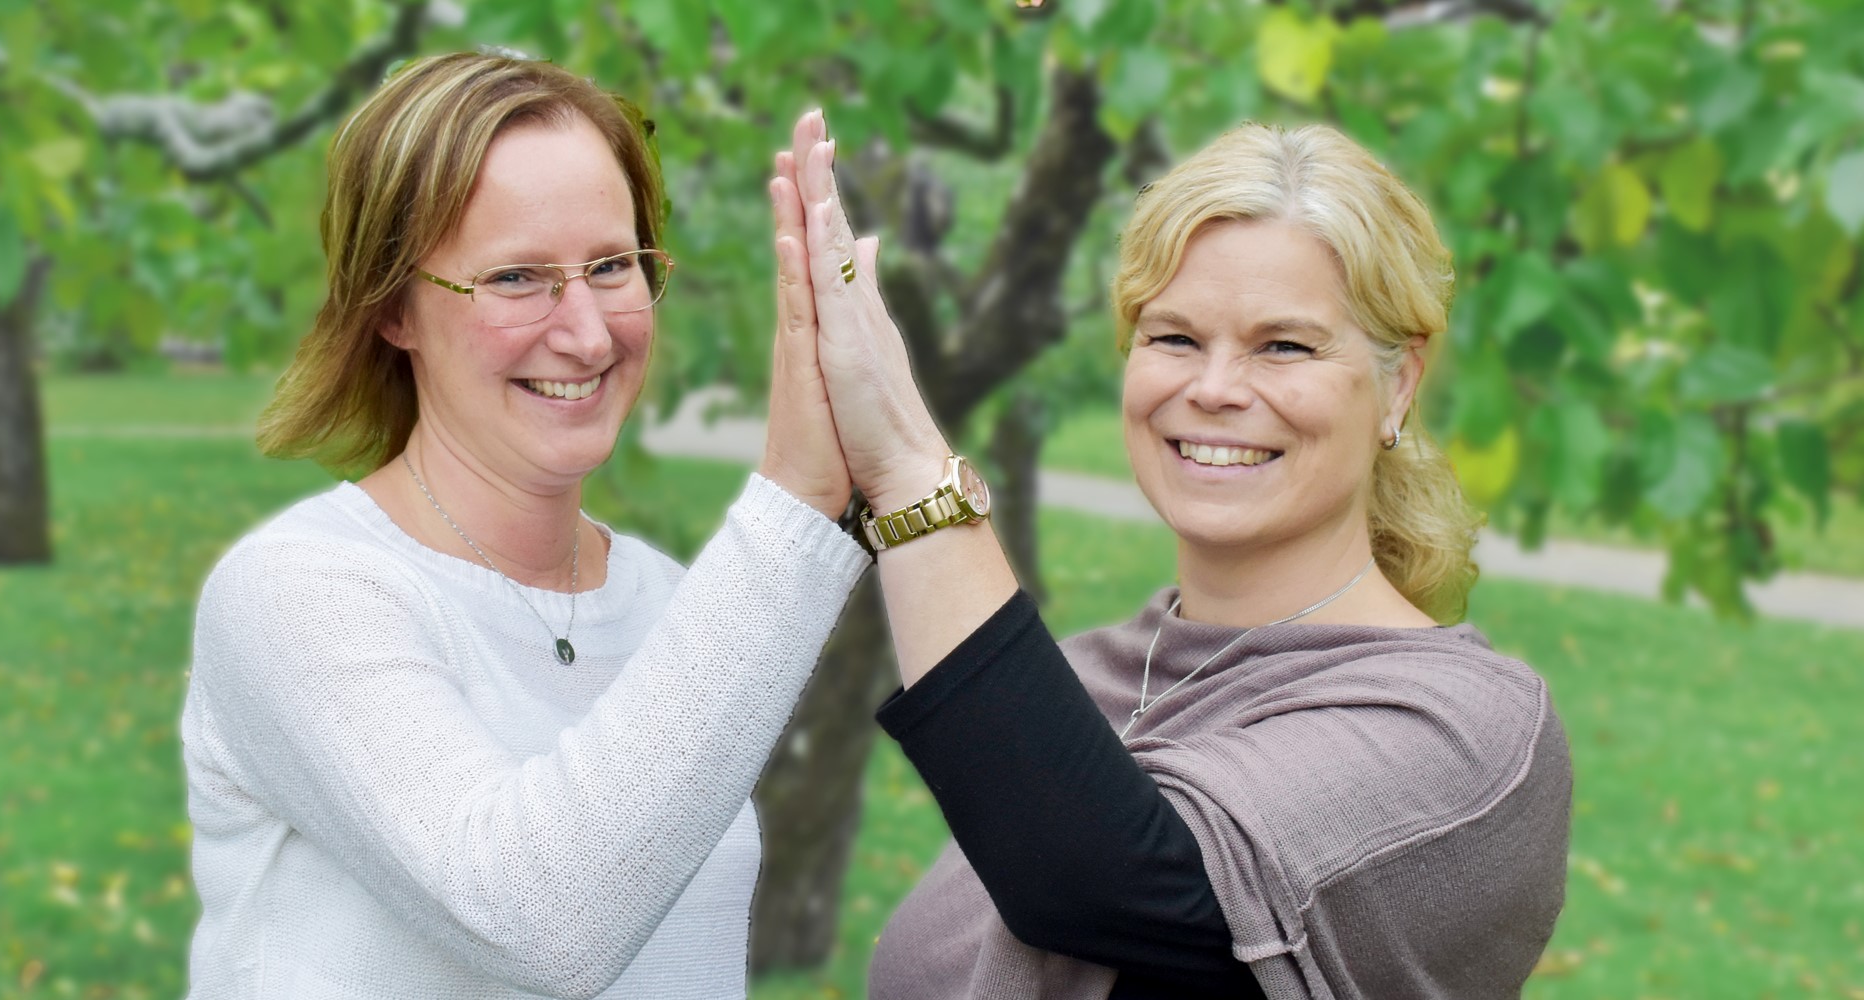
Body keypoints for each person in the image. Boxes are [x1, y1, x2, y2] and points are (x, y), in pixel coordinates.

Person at [776, 120, 1572, 998]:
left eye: (1285, 345)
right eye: (1175, 338)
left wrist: (904, 464)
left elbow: (1100, 882)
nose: (1216, 388)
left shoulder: (1471, 733)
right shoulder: (1077, 685)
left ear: (1400, 384)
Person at [180, 54, 869, 998]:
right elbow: (540, 919)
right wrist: (795, 506)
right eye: (516, 277)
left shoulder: (677, 605)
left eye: (612, 266)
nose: (587, 334)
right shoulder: (295, 594)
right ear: (392, 310)